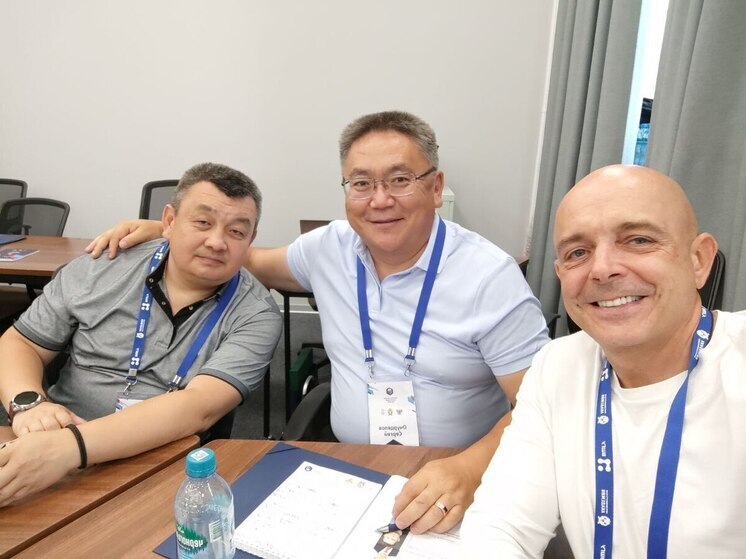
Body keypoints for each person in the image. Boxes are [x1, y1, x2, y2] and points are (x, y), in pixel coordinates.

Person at [86, 111, 550, 533]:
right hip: (351, 470)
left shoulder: (489, 277)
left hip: (457, 475)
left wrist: (470, 468)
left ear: (434, 186)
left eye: (400, 179)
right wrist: (169, 232)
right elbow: (247, 257)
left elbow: (544, 405)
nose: (380, 200)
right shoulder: (329, 248)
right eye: (361, 183)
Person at [461, 165, 746, 557]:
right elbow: (502, 524)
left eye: (639, 240)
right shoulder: (558, 366)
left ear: (698, 260)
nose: (602, 269)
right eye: (578, 253)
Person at [0, 162, 282, 506]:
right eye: (202, 222)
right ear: (169, 221)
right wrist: (28, 404)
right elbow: (21, 342)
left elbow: (199, 407)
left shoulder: (256, 313)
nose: (216, 242)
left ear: (250, 240)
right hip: (49, 437)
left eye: (236, 231)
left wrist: (70, 447)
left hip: (161, 463)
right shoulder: (102, 265)